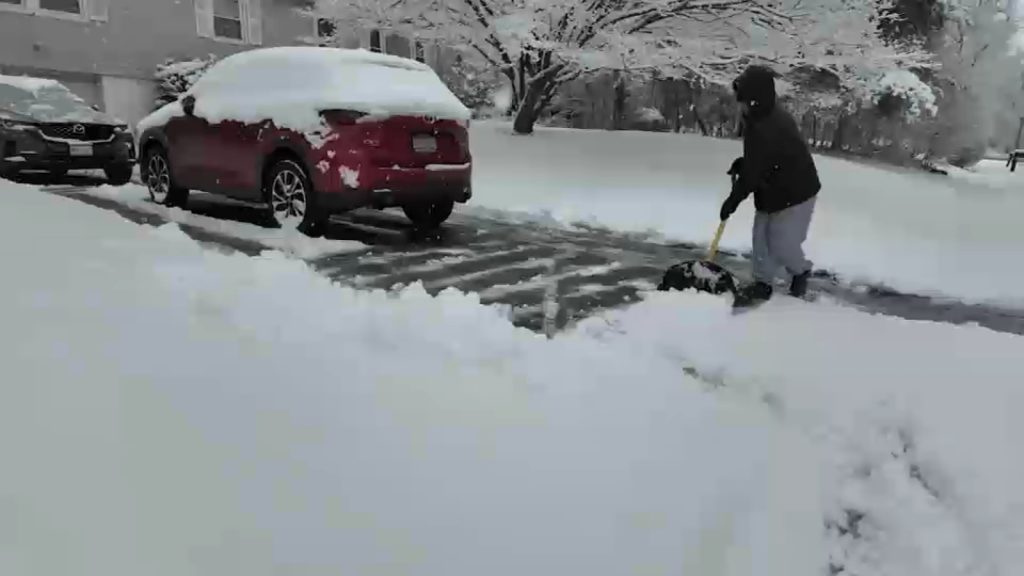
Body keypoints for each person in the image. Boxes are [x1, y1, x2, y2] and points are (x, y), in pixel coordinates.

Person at [720, 65, 821, 306]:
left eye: (742, 100)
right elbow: (763, 160)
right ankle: (762, 283)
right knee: (761, 239)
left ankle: (800, 271)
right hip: (772, 188)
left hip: (795, 192)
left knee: (782, 243)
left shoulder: (768, 126)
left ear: (755, 101)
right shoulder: (760, 118)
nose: (739, 105)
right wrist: (744, 164)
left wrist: (732, 200)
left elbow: (757, 170)